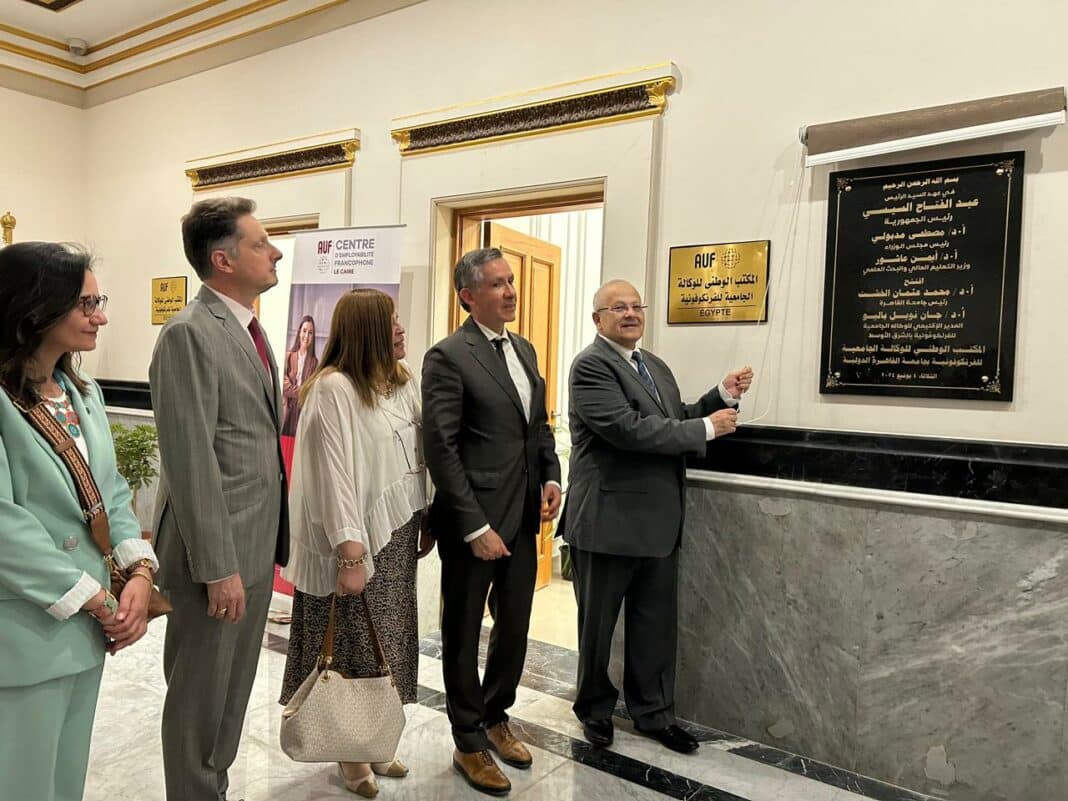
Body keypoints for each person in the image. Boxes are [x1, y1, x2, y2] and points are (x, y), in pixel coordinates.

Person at [559, 279, 753, 754]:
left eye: (636, 306)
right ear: (597, 320)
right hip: (606, 523)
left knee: (654, 629)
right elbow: (628, 430)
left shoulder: (655, 366)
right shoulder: (591, 366)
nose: (630, 314)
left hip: (659, 525)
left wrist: (718, 397)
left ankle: (653, 714)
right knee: (597, 630)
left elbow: (673, 416)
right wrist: (705, 428)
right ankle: (595, 710)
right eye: (617, 307)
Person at [0, 242, 159, 800]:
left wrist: (139, 574)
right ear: (36, 309)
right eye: (86, 304)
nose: (101, 317)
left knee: (65, 779)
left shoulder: (80, 392)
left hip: (84, 630)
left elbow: (110, 492)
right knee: (22, 783)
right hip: (23, 629)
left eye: (99, 301)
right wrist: (95, 598)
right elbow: (4, 524)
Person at [150, 197, 289, 801]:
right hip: (216, 556)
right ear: (223, 260)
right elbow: (191, 462)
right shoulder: (189, 333)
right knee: (200, 702)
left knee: (230, 696)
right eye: (261, 244)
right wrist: (217, 567)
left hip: (252, 545)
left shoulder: (249, 330)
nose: (276, 252)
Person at [280, 289, 432, 798]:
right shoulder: (332, 389)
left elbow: (417, 455)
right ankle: (350, 754)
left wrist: (426, 514)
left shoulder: (401, 381)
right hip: (354, 541)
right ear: (367, 331)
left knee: (384, 640)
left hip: (397, 534)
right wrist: (350, 550)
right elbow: (333, 476)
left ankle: (373, 736)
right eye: (391, 322)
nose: (401, 329)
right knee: (349, 644)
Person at [423, 247, 562, 797]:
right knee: (462, 633)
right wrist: (473, 526)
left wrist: (550, 476)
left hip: (523, 515)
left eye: (511, 281)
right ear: (468, 295)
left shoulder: (523, 349)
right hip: (474, 523)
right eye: (498, 284)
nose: (510, 291)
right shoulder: (448, 356)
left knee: (514, 627)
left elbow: (538, 426)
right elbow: (441, 447)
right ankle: (468, 741)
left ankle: (496, 714)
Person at [281, 314, 319, 436]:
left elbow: (312, 392)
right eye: (304, 331)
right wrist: (303, 391)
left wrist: (299, 391)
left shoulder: (315, 363)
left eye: (310, 333)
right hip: (286, 412)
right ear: (299, 332)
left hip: (303, 415)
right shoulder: (288, 356)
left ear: (313, 337)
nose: (306, 336)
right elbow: (284, 387)